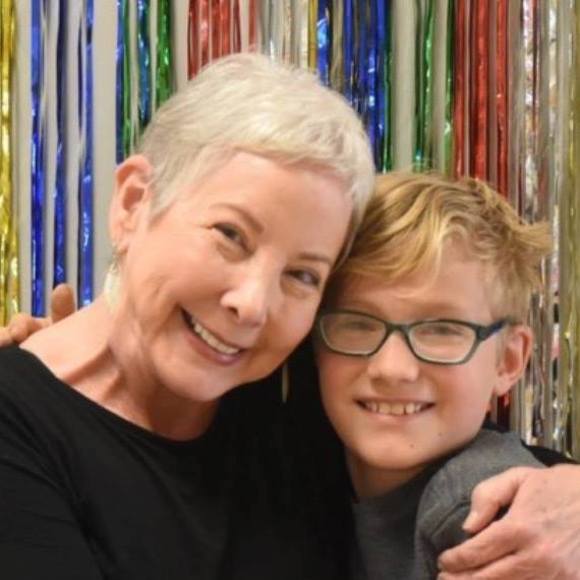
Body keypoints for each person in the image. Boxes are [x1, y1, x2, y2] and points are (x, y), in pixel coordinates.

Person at [0, 52, 376, 579]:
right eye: (231, 235)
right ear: (133, 204)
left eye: (302, 275)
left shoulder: (296, 399)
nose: (253, 304)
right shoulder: (18, 422)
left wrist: (508, 491)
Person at [313, 172, 554, 578]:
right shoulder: (296, 470)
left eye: (442, 329)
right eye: (357, 324)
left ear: (509, 361)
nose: (392, 369)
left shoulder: (480, 507)